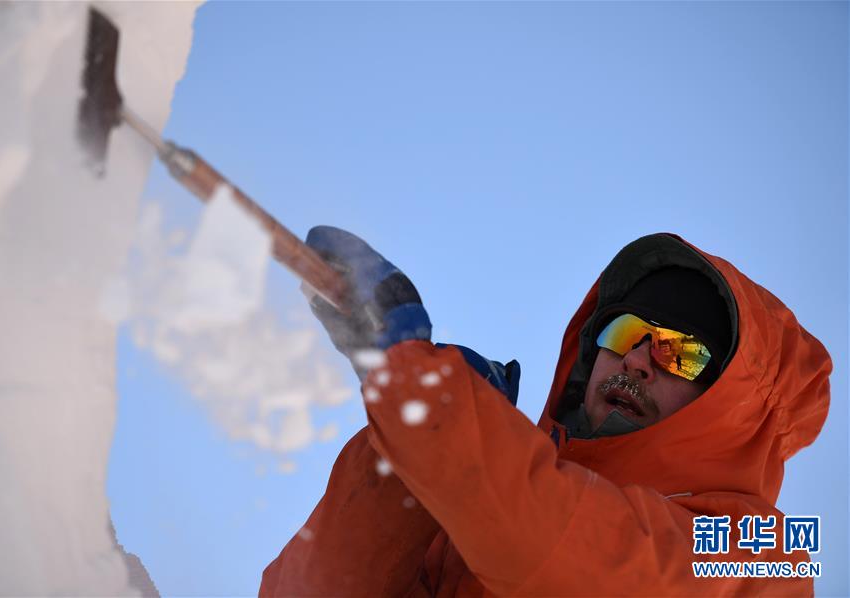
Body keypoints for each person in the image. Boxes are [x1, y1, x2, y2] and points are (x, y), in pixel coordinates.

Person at [260, 230, 831, 596]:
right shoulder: (476, 526)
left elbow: (595, 562)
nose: (635, 359)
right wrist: (407, 457)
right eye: (625, 332)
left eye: (680, 352)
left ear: (733, 407)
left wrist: (437, 409)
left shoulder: (761, 555)